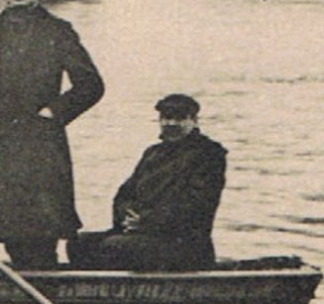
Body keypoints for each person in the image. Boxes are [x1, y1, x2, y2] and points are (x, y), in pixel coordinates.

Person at [0, 0, 104, 269]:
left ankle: (45, 289)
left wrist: (54, 112)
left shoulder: (57, 30)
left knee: (40, 233)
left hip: (40, 146)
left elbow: (91, 85)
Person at [68, 93, 227, 271]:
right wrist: (127, 218)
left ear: (194, 121)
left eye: (180, 118)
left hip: (183, 244)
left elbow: (196, 206)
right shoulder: (153, 153)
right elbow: (125, 194)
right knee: (79, 243)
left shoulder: (209, 154)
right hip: (143, 234)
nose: (172, 124)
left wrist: (146, 220)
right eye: (166, 118)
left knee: (114, 246)